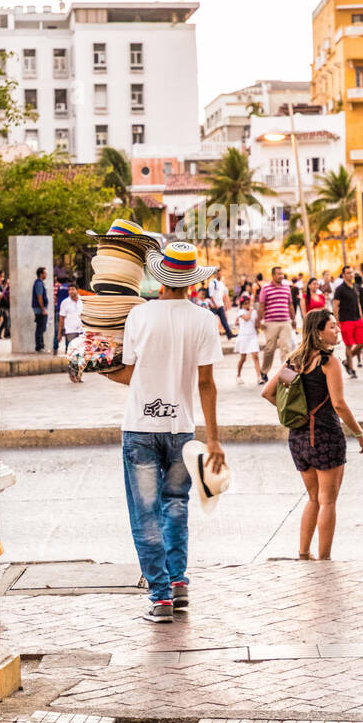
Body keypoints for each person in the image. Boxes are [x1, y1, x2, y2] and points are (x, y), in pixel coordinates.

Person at [104, 241, 225, 623]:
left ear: (161, 279)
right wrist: (216, 438)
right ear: (190, 282)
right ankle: (177, 583)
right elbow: (207, 383)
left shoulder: (140, 316)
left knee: (145, 515)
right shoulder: (204, 320)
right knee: (176, 506)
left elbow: (129, 373)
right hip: (181, 431)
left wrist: (95, 365)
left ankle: (160, 598)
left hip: (140, 427)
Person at [262, 308, 363, 560]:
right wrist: (359, 434)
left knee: (312, 498)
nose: (337, 330)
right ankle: (324, 558)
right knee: (328, 500)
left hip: (298, 438)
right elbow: (339, 404)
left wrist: (297, 410)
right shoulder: (328, 363)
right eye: (332, 326)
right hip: (325, 437)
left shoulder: (295, 361)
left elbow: (268, 392)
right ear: (319, 332)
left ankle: (303, 552)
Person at [257, 265, 295, 382]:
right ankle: (264, 371)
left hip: (285, 322)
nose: (281, 276)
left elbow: (290, 304)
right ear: (273, 275)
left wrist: (293, 319)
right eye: (278, 274)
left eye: (282, 274)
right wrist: (258, 321)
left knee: (286, 348)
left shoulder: (287, 288)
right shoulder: (266, 288)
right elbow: (262, 305)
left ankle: (286, 374)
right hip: (270, 323)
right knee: (269, 349)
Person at [333, 265, 363, 377]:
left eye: (351, 272)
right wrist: (336, 322)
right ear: (343, 275)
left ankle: (347, 360)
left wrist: (361, 317)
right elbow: (336, 306)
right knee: (349, 345)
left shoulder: (355, 286)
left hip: (357, 319)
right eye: (348, 273)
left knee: (362, 343)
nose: (350, 275)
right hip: (345, 320)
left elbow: (358, 303)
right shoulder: (339, 289)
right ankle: (351, 369)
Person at [234, 293, 262, 384]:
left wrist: (258, 328)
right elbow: (246, 318)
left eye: (248, 303)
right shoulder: (241, 312)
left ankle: (259, 377)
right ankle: (238, 375)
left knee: (255, 356)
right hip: (244, 337)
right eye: (245, 303)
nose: (247, 305)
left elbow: (255, 322)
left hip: (252, 335)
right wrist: (250, 311)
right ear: (242, 305)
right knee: (243, 358)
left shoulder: (253, 311)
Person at [207, 271, 234, 340]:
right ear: (215, 274)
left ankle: (229, 334)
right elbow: (211, 295)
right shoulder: (212, 283)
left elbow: (223, 295)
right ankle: (208, 336)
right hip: (214, 306)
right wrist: (215, 305)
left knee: (224, 320)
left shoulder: (221, 283)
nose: (219, 275)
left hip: (220, 305)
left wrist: (225, 304)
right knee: (211, 321)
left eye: (220, 274)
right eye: (218, 274)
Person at [57, 284, 84, 349]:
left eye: (72, 289)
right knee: (72, 350)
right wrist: (59, 333)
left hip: (82, 330)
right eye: (69, 290)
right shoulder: (65, 302)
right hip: (70, 331)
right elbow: (61, 318)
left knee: (82, 350)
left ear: (77, 290)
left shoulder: (83, 301)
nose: (70, 291)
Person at [32, 266, 49, 352]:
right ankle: (39, 347)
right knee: (40, 328)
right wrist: (43, 309)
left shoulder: (40, 283)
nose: (46, 274)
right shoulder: (39, 283)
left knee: (41, 328)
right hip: (40, 310)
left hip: (40, 309)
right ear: (41, 274)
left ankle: (41, 346)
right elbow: (39, 297)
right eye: (45, 273)